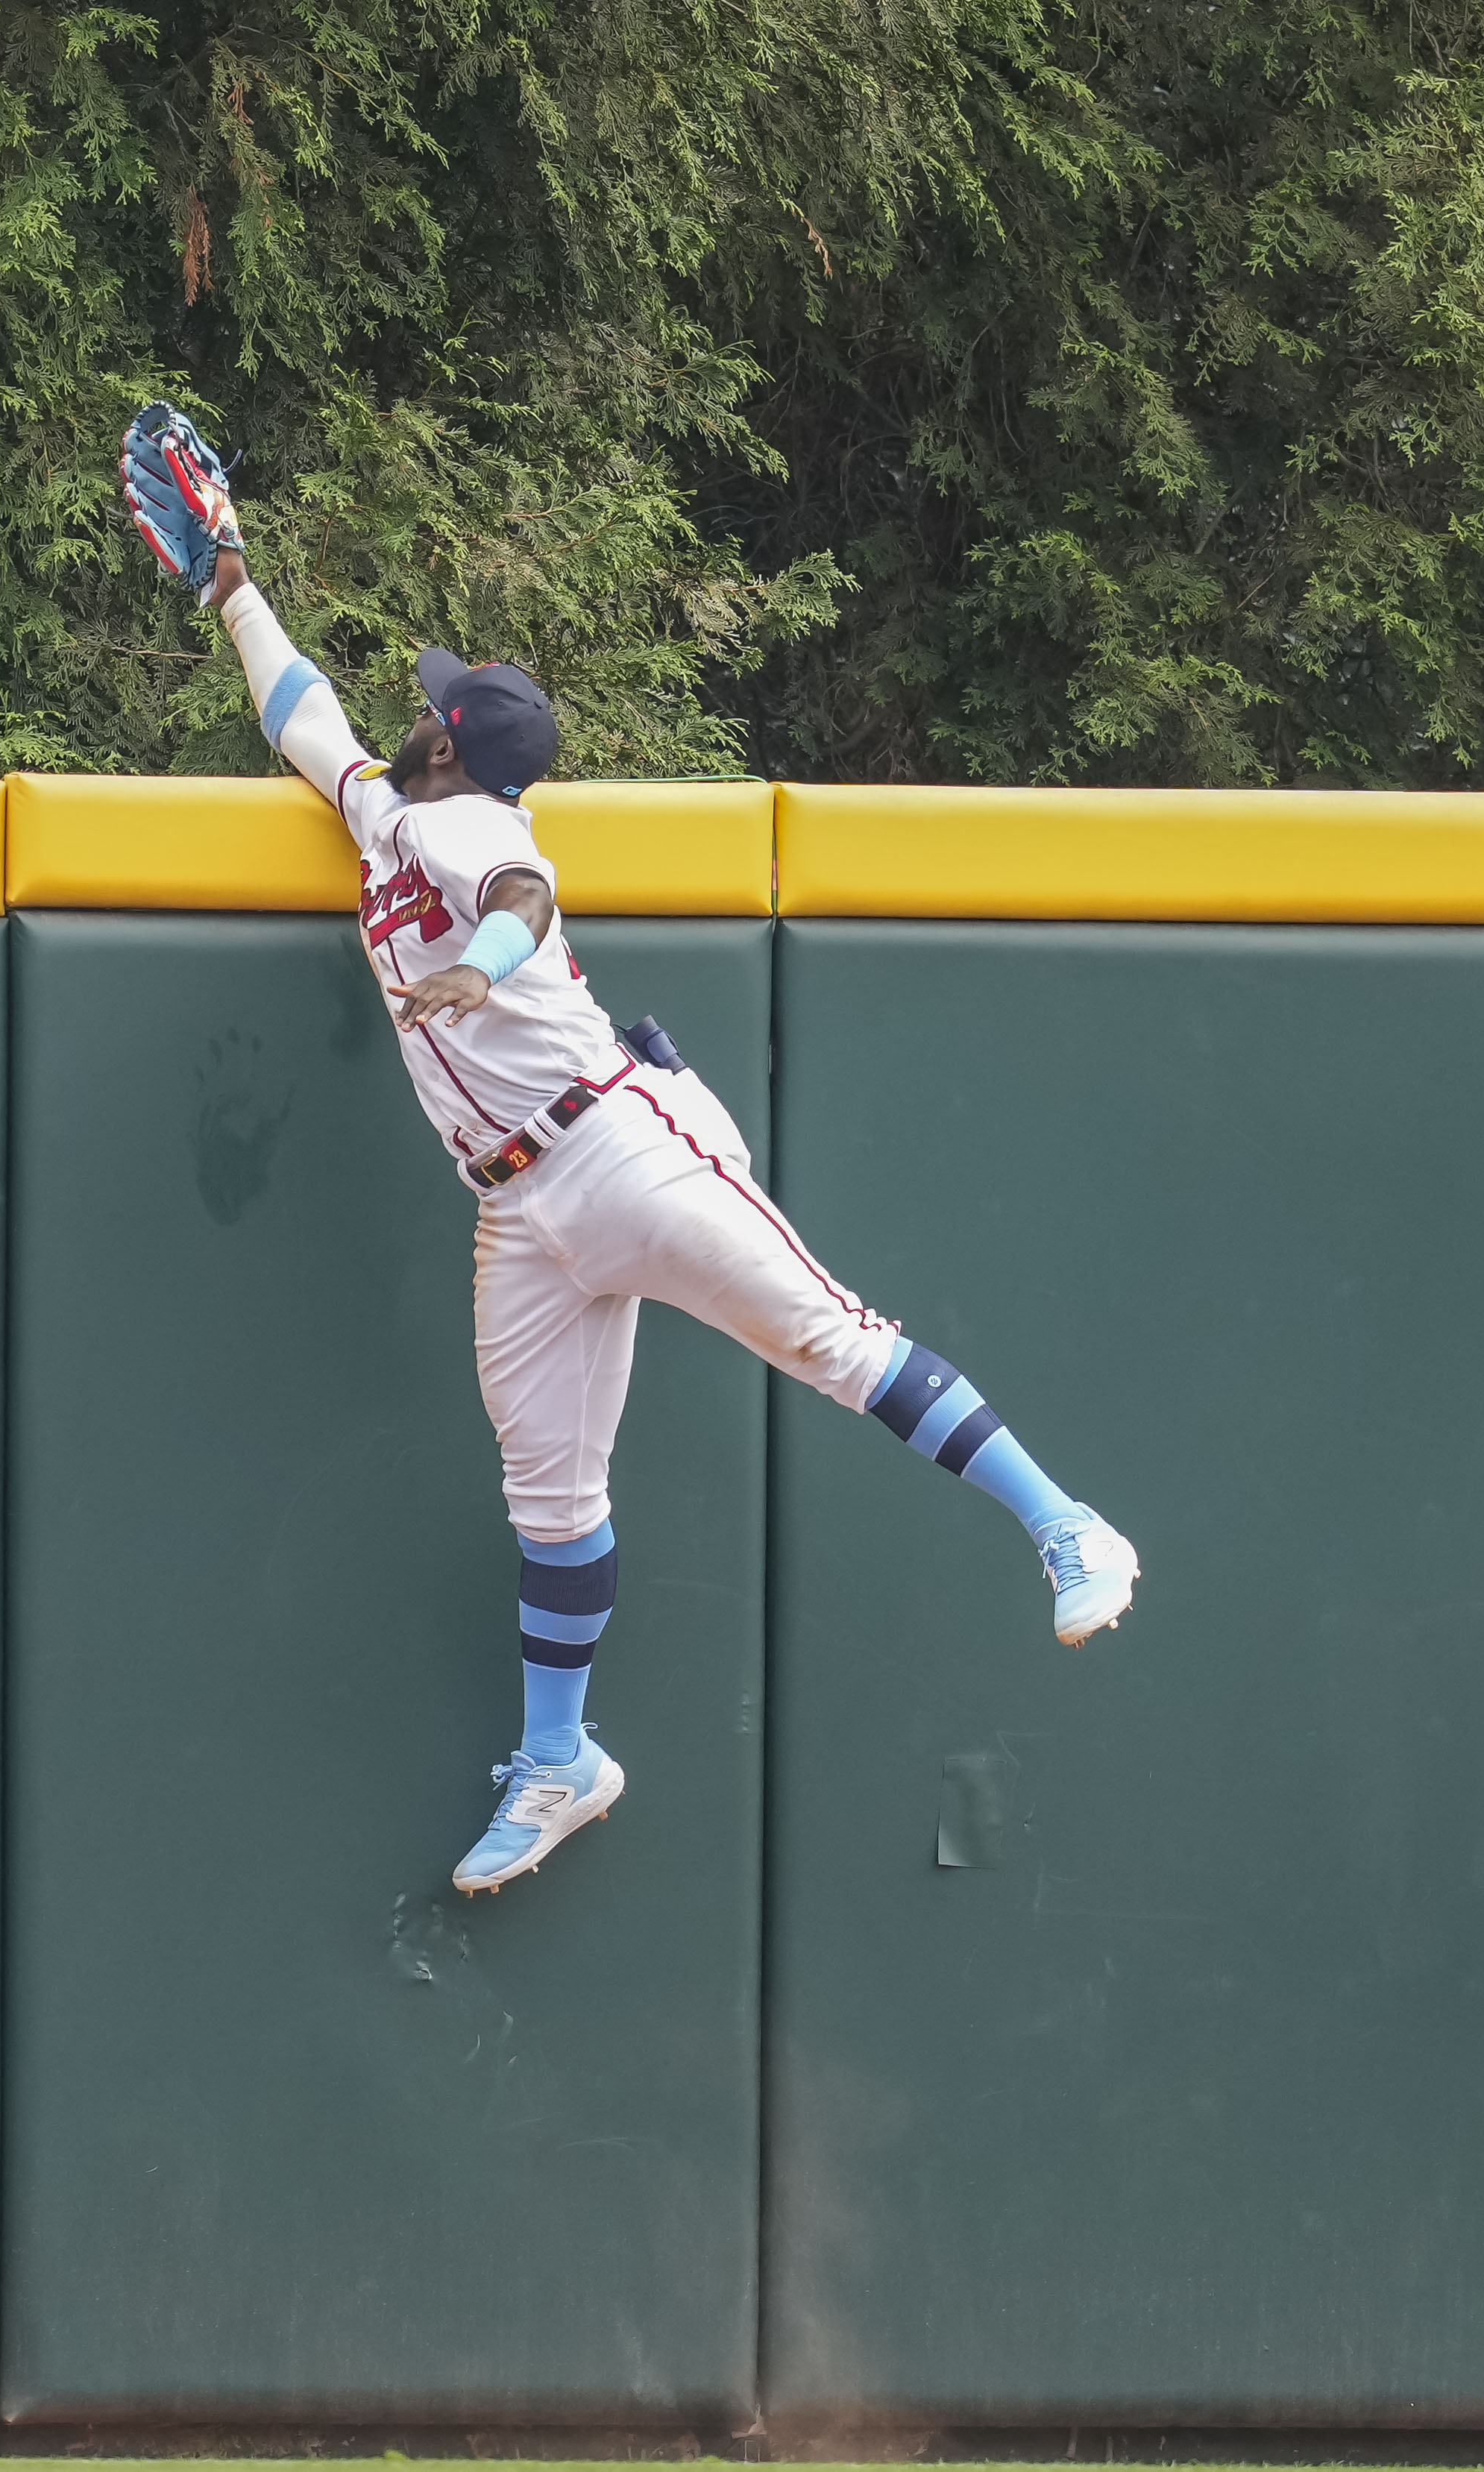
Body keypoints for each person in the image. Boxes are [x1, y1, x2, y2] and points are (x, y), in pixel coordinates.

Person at [121, 403, 1139, 1896]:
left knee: (830, 1341)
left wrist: (481, 959)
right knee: (549, 1498)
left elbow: (524, 889)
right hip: (518, 1212)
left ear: (451, 744)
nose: (415, 709)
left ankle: (1068, 1528)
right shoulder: (384, 814)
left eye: (434, 705)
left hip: (620, 1146)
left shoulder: (466, 831)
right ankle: (558, 1762)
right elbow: (299, 711)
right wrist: (229, 581)